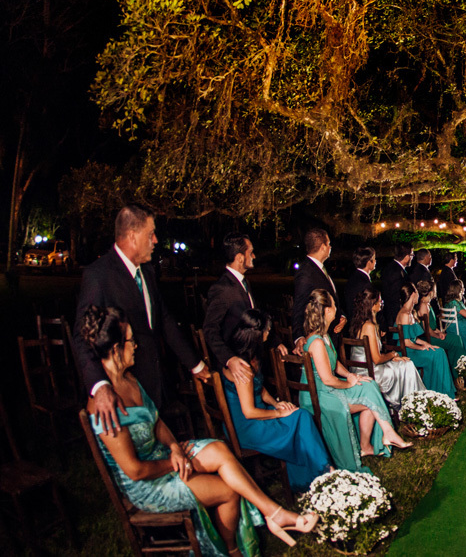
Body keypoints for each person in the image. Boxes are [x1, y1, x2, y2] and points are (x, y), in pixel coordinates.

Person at [83, 305, 316, 555]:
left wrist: (173, 447)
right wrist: (176, 461)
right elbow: (135, 470)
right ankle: (231, 551)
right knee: (227, 491)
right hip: (146, 484)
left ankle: (273, 514)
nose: (137, 345)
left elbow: (157, 422)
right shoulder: (103, 406)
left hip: (165, 456)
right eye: (131, 340)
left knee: (218, 448)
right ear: (116, 349)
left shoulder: (130, 380)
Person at [73, 205, 209, 434]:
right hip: (124, 388)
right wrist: (99, 386)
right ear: (133, 236)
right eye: (151, 233)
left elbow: (164, 321)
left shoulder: (148, 271)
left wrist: (195, 364)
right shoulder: (99, 275)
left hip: (156, 380)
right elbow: (81, 336)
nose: (155, 240)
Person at [221, 309, 331, 492]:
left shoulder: (250, 357)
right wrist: (279, 413)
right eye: (267, 330)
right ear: (257, 334)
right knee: (300, 418)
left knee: (300, 416)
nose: (269, 333)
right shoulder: (242, 368)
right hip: (246, 426)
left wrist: (275, 403)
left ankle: (312, 477)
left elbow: (259, 388)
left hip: (258, 414)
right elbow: (249, 411)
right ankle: (325, 473)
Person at [301, 289, 411, 470]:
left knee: (369, 384)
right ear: (327, 311)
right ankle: (384, 435)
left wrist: (350, 375)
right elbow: (328, 379)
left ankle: (374, 441)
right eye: (334, 305)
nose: (337, 308)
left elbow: (333, 364)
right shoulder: (316, 342)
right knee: (368, 394)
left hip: (329, 389)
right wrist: (348, 383)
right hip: (321, 396)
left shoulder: (324, 336)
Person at [203, 232, 265, 388]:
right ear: (239, 258)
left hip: (252, 361)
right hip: (236, 370)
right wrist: (229, 359)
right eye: (250, 252)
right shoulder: (223, 288)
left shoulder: (243, 283)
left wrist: (276, 342)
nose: (254, 256)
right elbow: (210, 329)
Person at [349, 287, 427, 406]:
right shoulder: (369, 326)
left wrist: (392, 358)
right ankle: (416, 404)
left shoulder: (361, 323)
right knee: (407, 366)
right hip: (368, 371)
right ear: (372, 304)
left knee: (405, 364)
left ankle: (413, 403)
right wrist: (393, 355)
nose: (381, 303)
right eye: (380, 301)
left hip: (368, 367)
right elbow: (377, 359)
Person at [394, 283, 457, 398]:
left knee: (438, 351)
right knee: (438, 354)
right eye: (417, 293)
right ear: (413, 294)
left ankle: (441, 392)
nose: (418, 295)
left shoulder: (410, 312)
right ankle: (442, 393)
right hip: (407, 352)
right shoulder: (404, 314)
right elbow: (406, 342)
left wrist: (426, 344)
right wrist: (422, 347)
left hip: (412, 348)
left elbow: (414, 338)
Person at [292, 228, 344, 352]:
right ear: (322, 247)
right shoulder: (306, 273)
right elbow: (299, 306)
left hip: (331, 333)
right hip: (318, 336)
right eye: (329, 244)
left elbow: (333, 297)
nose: (330, 247)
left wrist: (342, 316)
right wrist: (298, 336)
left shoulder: (321, 269)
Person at [415, 278, 466, 381]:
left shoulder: (427, 304)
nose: (436, 292)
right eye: (435, 289)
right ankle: (459, 375)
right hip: (429, 338)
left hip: (432, 334)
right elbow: (427, 330)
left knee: (456, 340)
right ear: (430, 292)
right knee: (456, 341)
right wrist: (438, 335)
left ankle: (457, 373)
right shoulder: (424, 306)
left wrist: (438, 331)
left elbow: (431, 326)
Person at [381, 244, 412, 332]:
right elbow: (395, 297)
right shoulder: (396, 272)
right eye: (412, 255)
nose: (412, 258)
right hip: (395, 317)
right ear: (406, 257)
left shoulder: (391, 267)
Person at [344, 246, 376, 319]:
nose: (375, 262)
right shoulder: (365, 283)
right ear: (368, 263)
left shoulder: (353, 278)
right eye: (374, 259)